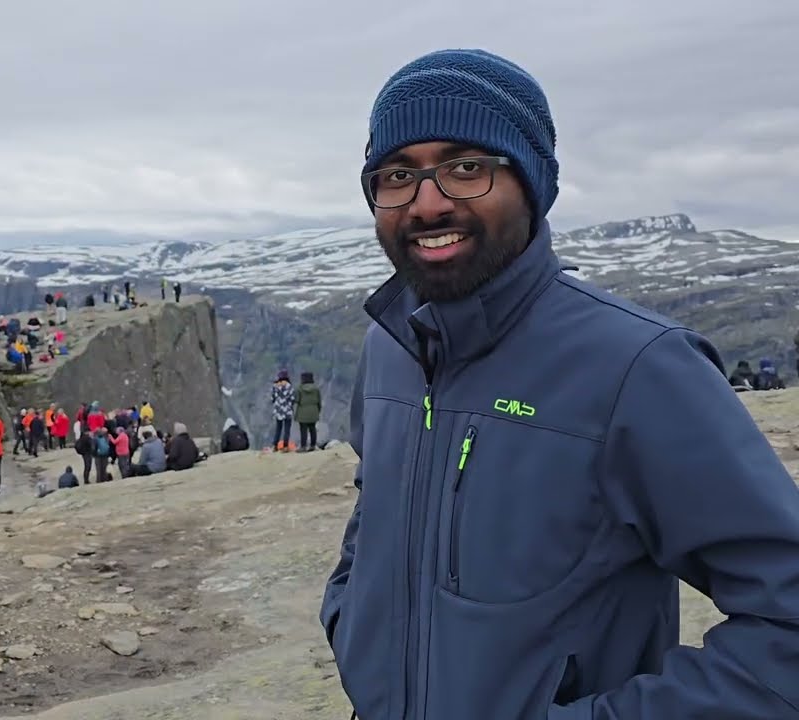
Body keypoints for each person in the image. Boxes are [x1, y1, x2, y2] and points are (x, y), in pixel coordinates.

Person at [320, 48, 799, 720]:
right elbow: (374, 511)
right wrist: (351, 622)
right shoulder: (391, 346)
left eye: (466, 168)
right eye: (398, 175)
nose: (428, 204)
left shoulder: (637, 367)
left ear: (531, 182)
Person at [295, 371, 322, 451]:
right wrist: (318, 411)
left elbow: (297, 400)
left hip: (302, 412)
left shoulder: (299, 389)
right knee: (312, 429)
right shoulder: (316, 389)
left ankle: (303, 446)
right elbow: (319, 402)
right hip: (313, 411)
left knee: (303, 430)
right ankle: (313, 445)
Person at [270, 370, 296, 452]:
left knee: (278, 428)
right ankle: (285, 446)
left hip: (278, 410)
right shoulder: (290, 387)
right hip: (287, 410)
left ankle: (275, 446)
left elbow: (272, 398)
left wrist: (278, 404)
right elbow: (293, 399)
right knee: (287, 429)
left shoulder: (275, 387)